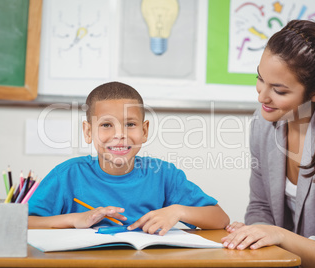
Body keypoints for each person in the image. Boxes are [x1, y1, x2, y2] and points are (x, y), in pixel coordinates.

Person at [221, 20, 315, 268]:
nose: (262, 96)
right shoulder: (263, 123)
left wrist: (277, 235)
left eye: (279, 91)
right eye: (260, 79)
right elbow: (260, 206)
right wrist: (255, 232)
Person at [28, 81, 229, 235]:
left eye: (130, 124)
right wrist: (74, 219)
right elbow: (24, 222)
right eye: (107, 125)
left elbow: (220, 219)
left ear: (144, 130)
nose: (119, 135)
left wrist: (178, 211)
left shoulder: (164, 175)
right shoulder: (68, 175)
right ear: (88, 131)